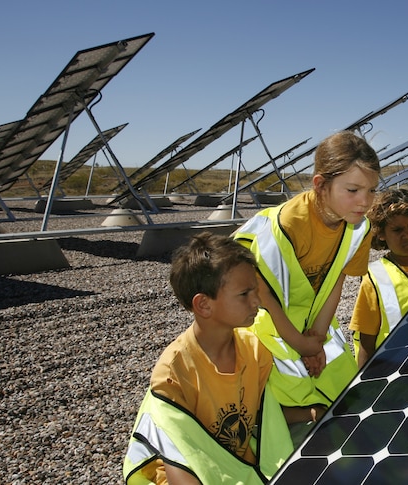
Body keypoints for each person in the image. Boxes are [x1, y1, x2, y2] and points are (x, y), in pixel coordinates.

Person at [232, 130, 379, 444]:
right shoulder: (286, 226)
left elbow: (335, 280)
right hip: (271, 329)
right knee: (284, 408)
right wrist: (300, 344)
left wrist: (317, 336)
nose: (364, 202)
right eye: (352, 190)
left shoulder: (359, 228)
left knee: (346, 397)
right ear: (320, 185)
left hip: (315, 327)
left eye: (371, 190)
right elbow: (265, 296)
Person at [122, 232, 291, 484]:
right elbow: (178, 459)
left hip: (234, 470)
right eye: (244, 294)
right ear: (203, 305)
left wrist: (311, 414)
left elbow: (265, 419)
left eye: (256, 290)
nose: (257, 300)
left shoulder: (255, 350)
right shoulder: (173, 372)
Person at [349, 189, 408, 368]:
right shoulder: (374, 278)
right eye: (397, 229)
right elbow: (366, 343)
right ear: (381, 233)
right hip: (396, 373)